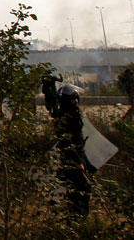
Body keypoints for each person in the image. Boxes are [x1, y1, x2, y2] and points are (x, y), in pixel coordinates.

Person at [53, 84, 92, 218]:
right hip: (73, 159)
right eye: (74, 99)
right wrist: (77, 162)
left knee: (80, 189)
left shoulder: (70, 115)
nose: (76, 101)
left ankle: (77, 218)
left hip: (78, 156)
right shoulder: (66, 118)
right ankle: (78, 219)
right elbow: (67, 143)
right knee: (81, 190)